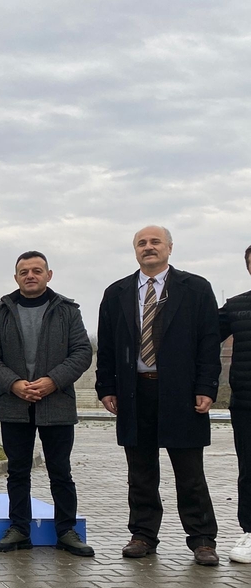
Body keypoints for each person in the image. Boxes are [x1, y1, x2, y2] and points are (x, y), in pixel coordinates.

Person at [96, 226, 221, 565]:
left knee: (190, 473)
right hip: (134, 391)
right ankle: (143, 535)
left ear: (169, 247)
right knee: (140, 472)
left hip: (182, 392)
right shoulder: (116, 292)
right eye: (142, 243)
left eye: (155, 242)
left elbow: (209, 342)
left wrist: (206, 387)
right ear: (135, 250)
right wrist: (106, 387)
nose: (148, 247)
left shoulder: (196, 288)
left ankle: (202, 540)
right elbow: (106, 346)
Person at [0, 251, 94, 556]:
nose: (30, 275)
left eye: (37, 270)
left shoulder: (67, 311)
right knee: (17, 472)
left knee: (61, 471)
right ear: (16, 277)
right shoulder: (0, 312)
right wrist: (13, 384)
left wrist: (53, 380)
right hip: (14, 404)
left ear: (48, 275)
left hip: (57, 403)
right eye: (24, 272)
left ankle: (66, 531)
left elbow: (82, 352)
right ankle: (19, 529)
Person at [218, 244, 251, 563]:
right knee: (249, 469)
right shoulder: (235, 307)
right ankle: (250, 532)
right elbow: (201, 337)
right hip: (246, 403)